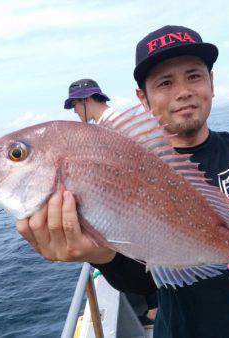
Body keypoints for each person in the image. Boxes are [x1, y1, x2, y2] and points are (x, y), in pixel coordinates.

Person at [16, 25, 229, 337]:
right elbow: (144, 281)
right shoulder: (127, 167)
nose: (183, 91)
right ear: (144, 98)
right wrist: (99, 255)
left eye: (194, 75)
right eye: (165, 82)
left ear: (211, 82)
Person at [64, 77, 158, 325]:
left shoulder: (109, 129)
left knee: (143, 258)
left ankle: (156, 311)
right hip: (136, 206)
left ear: (84, 101)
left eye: (74, 105)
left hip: (134, 209)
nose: (74, 111)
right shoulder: (113, 122)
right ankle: (155, 308)